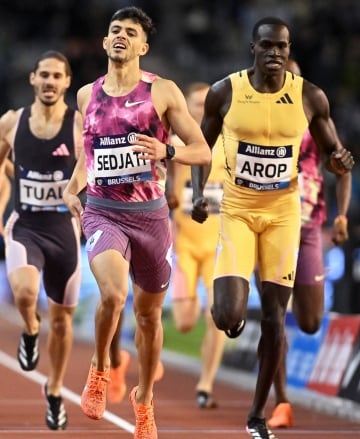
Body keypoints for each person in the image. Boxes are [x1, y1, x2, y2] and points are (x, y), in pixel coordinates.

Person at [191, 17, 354, 439]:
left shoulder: (311, 98)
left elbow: (334, 154)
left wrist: (340, 163)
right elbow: (200, 148)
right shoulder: (225, 92)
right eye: (266, 46)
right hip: (239, 211)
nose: (274, 53)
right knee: (227, 314)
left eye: (281, 46)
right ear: (253, 48)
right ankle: (233, 320)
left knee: (275, 319)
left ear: (289, 48)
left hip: (284, 214)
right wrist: (196, 194)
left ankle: (258, 415)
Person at [62, 7, 211, 439]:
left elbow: (201, 150)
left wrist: (166, 152)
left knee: (148, 318)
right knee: (113, 293)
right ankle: (99, 368)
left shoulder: (162, 92)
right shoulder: (88, 96)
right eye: (115, 31)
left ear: (144, 46)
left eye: (131, 32)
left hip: (151, 219)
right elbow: (89, 157)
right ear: (106, 43)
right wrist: (74, 189)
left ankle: (143, 400)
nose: (121, 37)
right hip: (104, 210)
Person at [0, 50, 83, 431]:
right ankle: (29, 329)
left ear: (67, 82)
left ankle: (54, 390)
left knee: (62, 323)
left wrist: (87, 200)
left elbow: (94, 165)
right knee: (24, 294)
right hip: (25, 226)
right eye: (44, 74)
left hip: (64, 233)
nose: (50, 82)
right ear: (32, 78)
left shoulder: (78, 126)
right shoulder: (11, 121)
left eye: (57, 76)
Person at [264, 59, 352, 429]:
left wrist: (342, 214)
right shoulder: (256, 118)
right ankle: (281, 400)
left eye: (294, 78)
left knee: (311, 321)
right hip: (266, 227)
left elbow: (342, 164)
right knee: (274, 317)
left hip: (309, 227)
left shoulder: (312, 117)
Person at [165, 82, 226, 410]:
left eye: (206, 103)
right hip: (185, 247)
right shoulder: (177, 146)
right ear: (186, 108)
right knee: (186, 321)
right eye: (195, 104)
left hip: (216, 248)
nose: (201, 109)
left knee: (218, 315)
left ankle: (205, 384)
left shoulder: (228, 145)